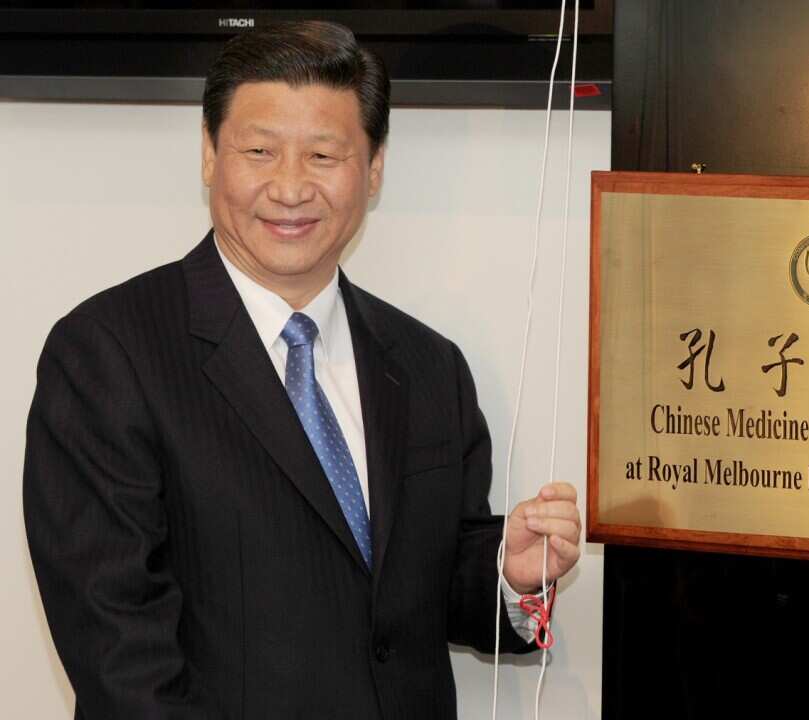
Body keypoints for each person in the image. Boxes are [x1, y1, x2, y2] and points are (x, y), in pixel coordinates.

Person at [22, 20, 581, 719]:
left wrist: (509, 574)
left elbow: (415, 595)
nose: (290, 188)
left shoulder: (431, 365)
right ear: (209, 154)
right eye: (259, 150)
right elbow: (121, 660)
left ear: (373, 168)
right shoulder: (107, 354)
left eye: (323, 155)